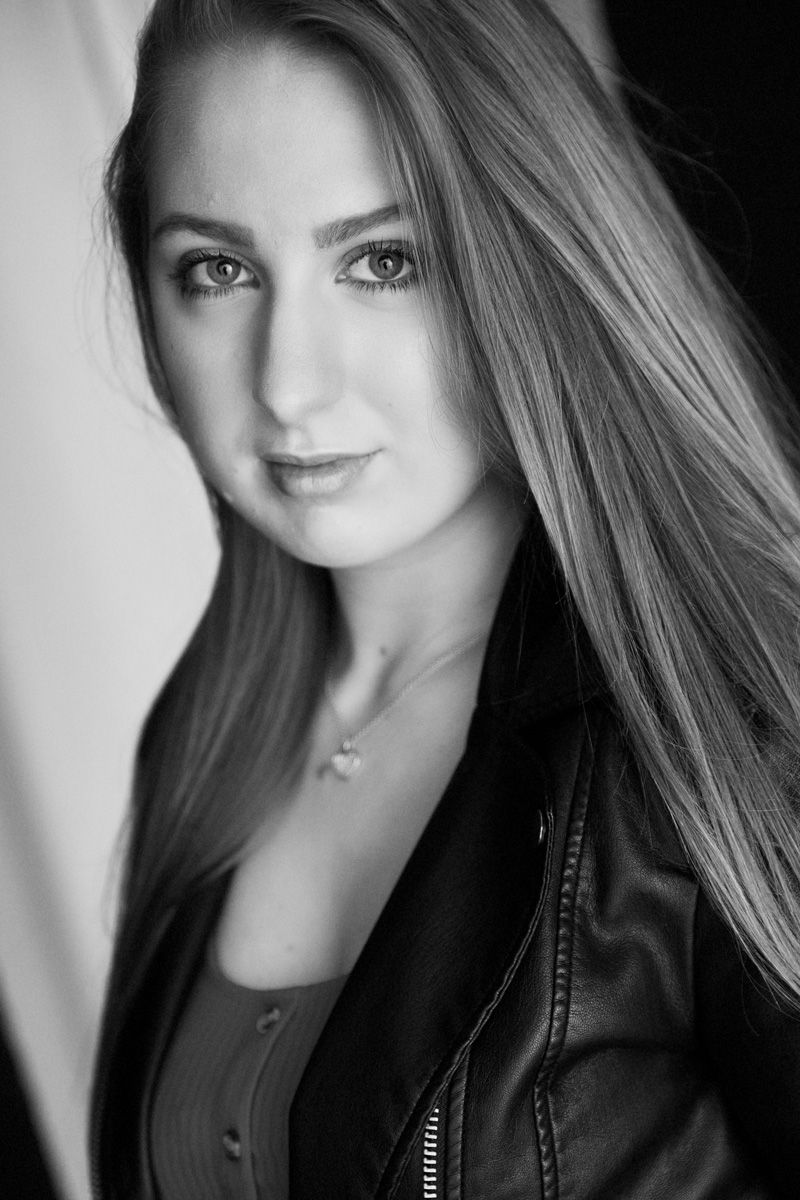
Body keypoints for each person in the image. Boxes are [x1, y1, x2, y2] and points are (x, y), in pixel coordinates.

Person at [89, 1, 800, 1196]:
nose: (289, 383)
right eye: (219, 270)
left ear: (533, 249)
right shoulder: (203, 737)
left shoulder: (727, 723)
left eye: (383, 261)